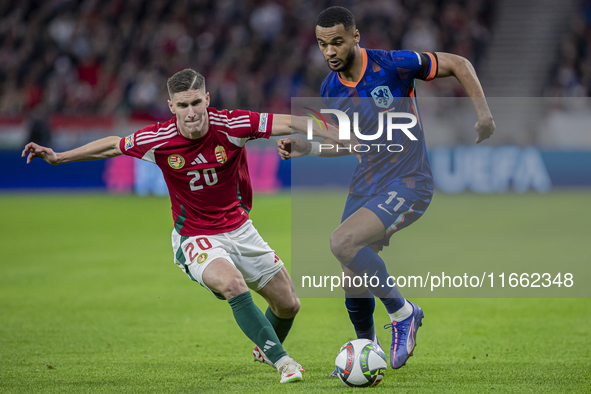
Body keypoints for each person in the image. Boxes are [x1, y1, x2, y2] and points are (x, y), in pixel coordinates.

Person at [22, 69, 337, 384]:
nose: (191, 112)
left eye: (196, 103)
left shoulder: (231, 125)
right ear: (171, 107)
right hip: (195, 236)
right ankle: (283, 362)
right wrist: (60, 156)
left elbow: (290, 122)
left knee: (288, 304)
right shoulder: (158, 139)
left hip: (240, 228)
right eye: (183, 106)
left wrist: (332, 132)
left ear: (207, 99)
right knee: (232, 284)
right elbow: (113, 145)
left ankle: (264, 346)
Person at [277, 6, 495, 373]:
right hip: (367, 184)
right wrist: (307, 146)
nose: (329, 51)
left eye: (337, 42)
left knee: (341, 243)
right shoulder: (331, 87)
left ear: (355, 37)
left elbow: (459, 63)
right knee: (350, 273)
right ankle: (367, 348)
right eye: (322, 44)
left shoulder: (392, 65)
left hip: (409, 181)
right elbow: (350, 142)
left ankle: (404, 312)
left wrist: (484, 115)